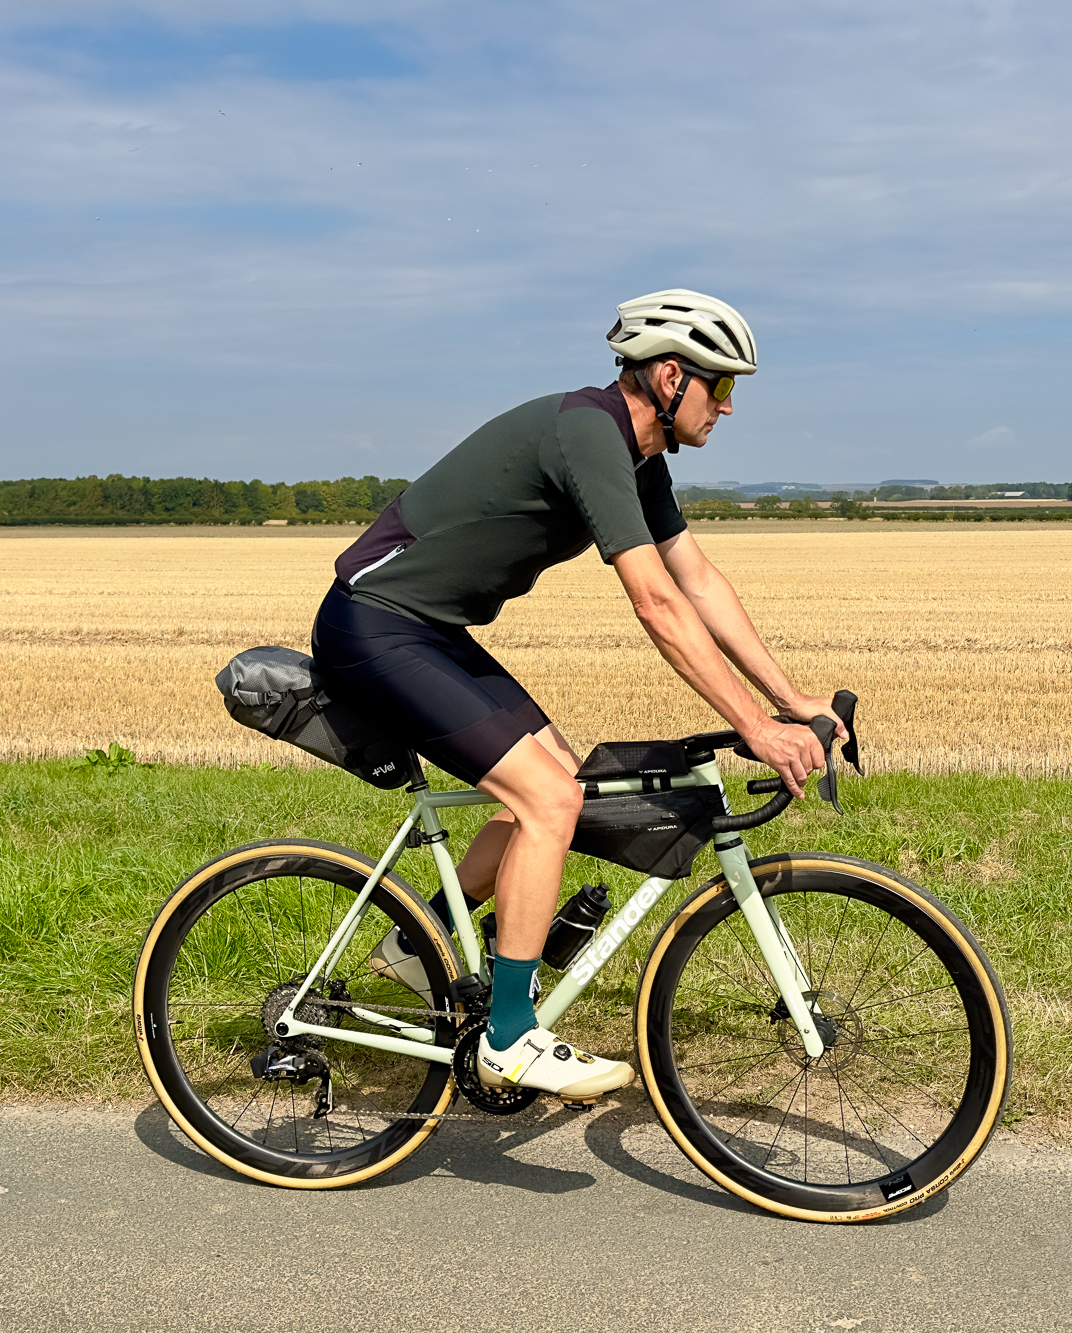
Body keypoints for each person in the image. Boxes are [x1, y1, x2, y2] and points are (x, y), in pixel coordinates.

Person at [311, 290, 844, 1102]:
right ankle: (509, 1036)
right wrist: (751, 727)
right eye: (722, 387)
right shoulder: (588, 432)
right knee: (549, 797)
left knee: (559, 771)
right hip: (374, 624)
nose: (728, 407)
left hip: (431, 629)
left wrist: (791, 699)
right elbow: (655, 602)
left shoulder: (638, 456)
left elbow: (696, 579)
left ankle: (416, 951)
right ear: (670, 378)